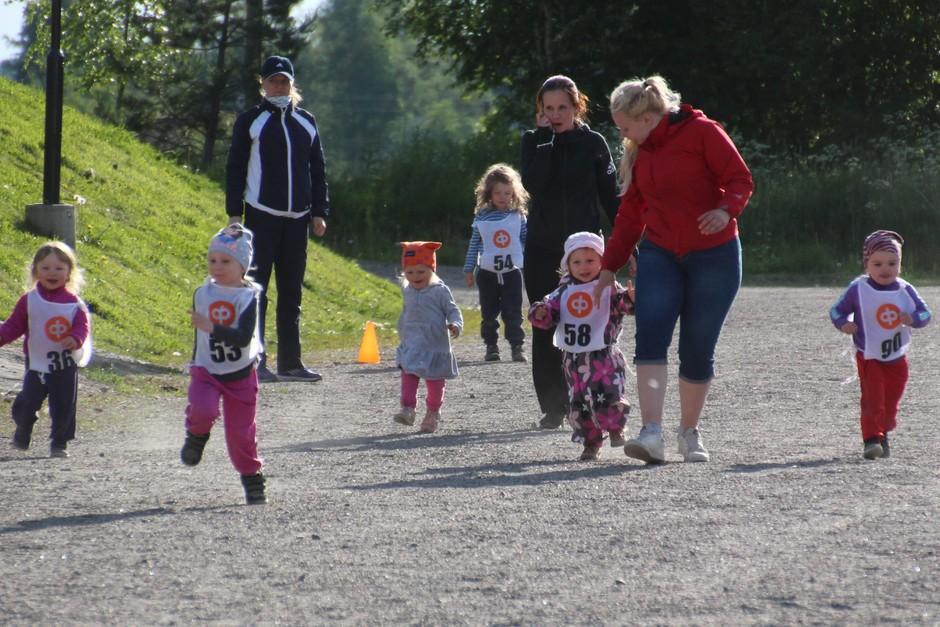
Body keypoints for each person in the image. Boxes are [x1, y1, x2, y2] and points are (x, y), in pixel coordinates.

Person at [595, 75, 754, 464]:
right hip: (660, 253)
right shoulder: (640, 151)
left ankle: (689, 432)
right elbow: (631, 213)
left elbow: (739, 179)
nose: (622, 134)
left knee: (697, 347)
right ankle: (651, 434)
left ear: (648, 118)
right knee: (650, 338)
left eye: (625, 127)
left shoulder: (703, 132)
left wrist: (725, 210)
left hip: (714, 256)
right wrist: (609, 265)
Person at [521, 75, 620, 429]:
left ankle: (594, 397)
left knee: (590, 322)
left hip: (585, 250)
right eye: (548, 108)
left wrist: (627, 245)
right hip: (542, 248)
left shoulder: (593, 143)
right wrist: (546, 141)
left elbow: (611, 196)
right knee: (544, 321)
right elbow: (533, 184)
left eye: (563, 107)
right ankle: (554, 406)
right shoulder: (533, 140)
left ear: (577, 107)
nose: (556, 114)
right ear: (540, 110)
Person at [225, 54, 330, 383]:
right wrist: (234, 213)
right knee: (256, 289)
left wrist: (319, 212)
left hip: (298, 218)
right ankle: (255, 360)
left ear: (292, 84)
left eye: (285, 81)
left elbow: (318, 170)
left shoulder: (306, 122)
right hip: (261, 215)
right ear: (263, 83)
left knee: (291, 291)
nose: (279, 86)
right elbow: (235, 167)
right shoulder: (251, 120)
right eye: (274, 80)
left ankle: (291, 362)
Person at [180, 224, 267, 505]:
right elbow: (199, 339)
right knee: (202, 409)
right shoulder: (202, 293)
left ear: (242, 266)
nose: (217, 267)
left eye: (226, 261)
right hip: (206, 370)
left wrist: (212, 327)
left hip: (241, 374)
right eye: (212, 260)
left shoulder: (248, 297)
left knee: (241, 435)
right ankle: (197, 435)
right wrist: (196, 364)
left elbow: (242, 338)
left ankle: (252, 478)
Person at [528, 232, 634, 461]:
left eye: (590, 261)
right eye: (576, 262)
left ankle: (615, 428)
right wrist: (541, 312)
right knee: (580, 401)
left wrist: (631, 299)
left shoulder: (609, 287)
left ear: (602, 261)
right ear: (567, 265)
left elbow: (623, 304)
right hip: (574, 360)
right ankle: (591, 443)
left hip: (605, 356)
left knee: (610, 394)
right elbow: (549, 310)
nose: (583, 267)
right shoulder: (563, 291)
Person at [829, 230, 931, 460]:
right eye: (878, 264)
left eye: (892, 263)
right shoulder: (858, 289)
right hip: (869, 355)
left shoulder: (904, 289)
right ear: (866, 264)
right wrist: (844, 323)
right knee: (873, 398)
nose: (885, 269)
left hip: (897, 356)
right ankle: (872, 440)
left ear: (900, 265)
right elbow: (836, 311)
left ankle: (883, 433)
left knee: (891, 400)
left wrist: (913, 319)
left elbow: (926, 314)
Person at [1, 242, 91, 458]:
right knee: (28, 401)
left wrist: (75, 338)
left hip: (64, 364)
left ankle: (59, 443)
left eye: (59, 268)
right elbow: (13, 326)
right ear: (35, 271)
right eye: (46, 268)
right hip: (36, 363)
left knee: (63, 404)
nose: (52, 273)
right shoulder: (29, 300)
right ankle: (23, 429)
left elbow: (83, 326)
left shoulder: (74, 304)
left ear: (69, 273)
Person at [393, 241, 463, 434]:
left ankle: (433, 412)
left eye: (421, 272)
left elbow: (453, 310)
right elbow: (406, 312)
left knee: (434, 382)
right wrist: (402, 328)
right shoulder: (407, 290)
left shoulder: (440, 291)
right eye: (410, 272)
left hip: (434, 346)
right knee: (408, 376)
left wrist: (456, 324)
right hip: (412, 343)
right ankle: (408, 409)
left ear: (432, 270)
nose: (415, 276)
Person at [463, 163, 529, 363]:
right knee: (489, 311)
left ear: (514, 194)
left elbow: (526, 240)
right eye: (498, 193)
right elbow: (474, 244)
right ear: (489, 194)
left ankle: (517, 346)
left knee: (513, 310)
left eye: (507, 193)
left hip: (511, 272)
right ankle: (491, 346)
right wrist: (469, 269)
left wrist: (531, 262)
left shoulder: (518, 216)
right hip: (487, 273)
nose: (502, 197)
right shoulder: (482, 217)